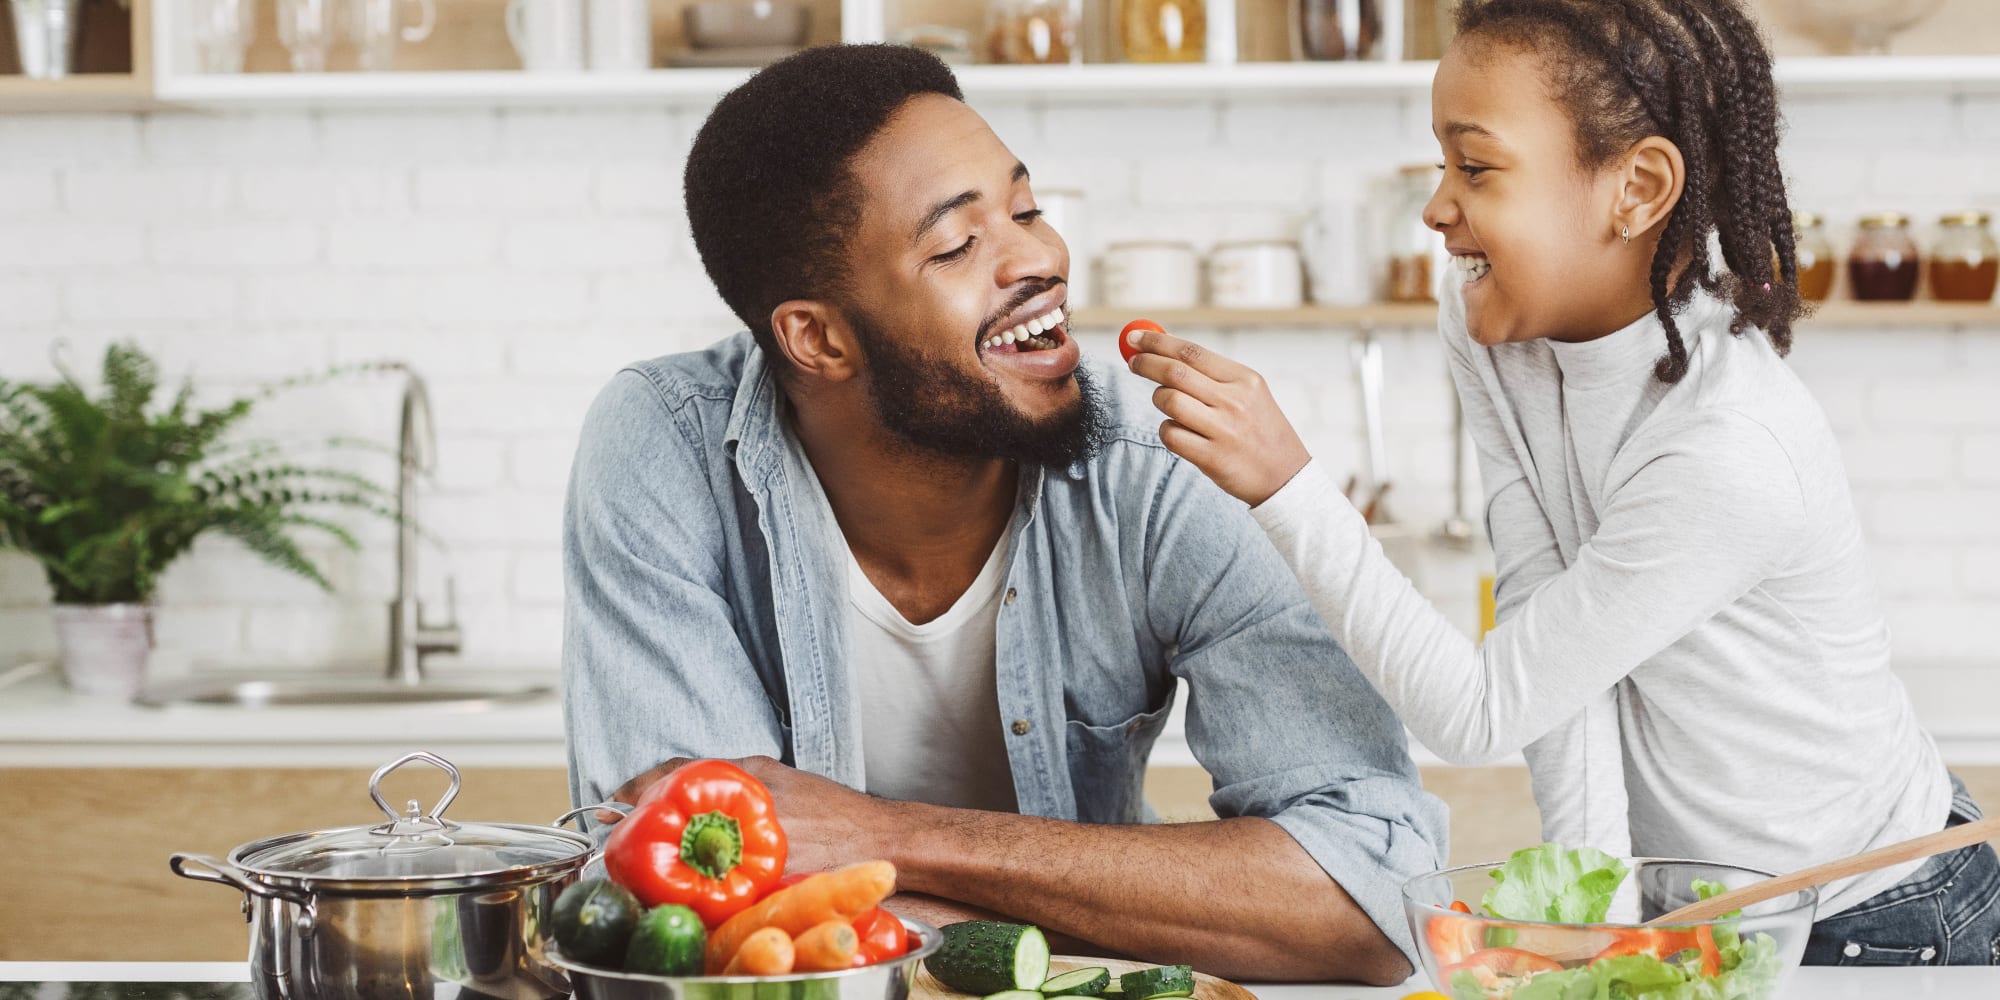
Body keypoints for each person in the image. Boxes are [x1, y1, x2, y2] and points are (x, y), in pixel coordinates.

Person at [1124, 0, 2000, 965]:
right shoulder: (1499, 331)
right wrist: (1598, 920)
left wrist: (1288, 487)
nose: (1437, 207)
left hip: (1875, 913)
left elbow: (1480, 710)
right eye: (1441, 161)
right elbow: (1553, 668)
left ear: (1637, 186)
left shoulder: (1731, 447)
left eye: (1478, 165)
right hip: (1709, 918)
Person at [560, 43, 1446, 982]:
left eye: (1025, 209)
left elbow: (1378, 901)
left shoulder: (1162, 465)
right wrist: (1151, 909)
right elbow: (696, 909)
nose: (1041, 258)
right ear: (817, 337)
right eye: (956, 245)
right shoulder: (666, 445)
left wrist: (882, 838)